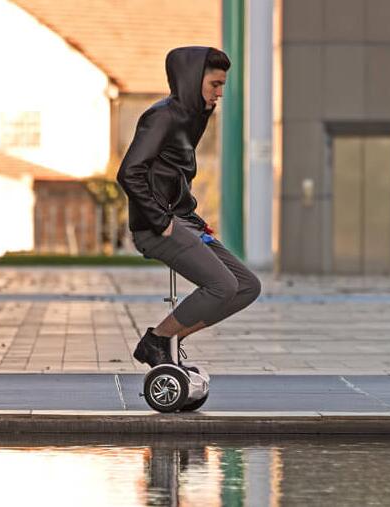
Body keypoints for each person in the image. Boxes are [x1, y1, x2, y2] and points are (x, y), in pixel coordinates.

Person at [117, 46, 261, 368]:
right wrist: (161, 220)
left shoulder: (193, 117)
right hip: (158, 227)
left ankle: (168, 340)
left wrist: (186, 215)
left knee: (247, 286)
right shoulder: (162, 116)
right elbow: (129, 171)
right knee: (222, 285)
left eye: (223, 85)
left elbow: (174, 174)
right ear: (192, 79)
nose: (220, 93)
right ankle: (156, 340)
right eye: (215, 85)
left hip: (184, 221)